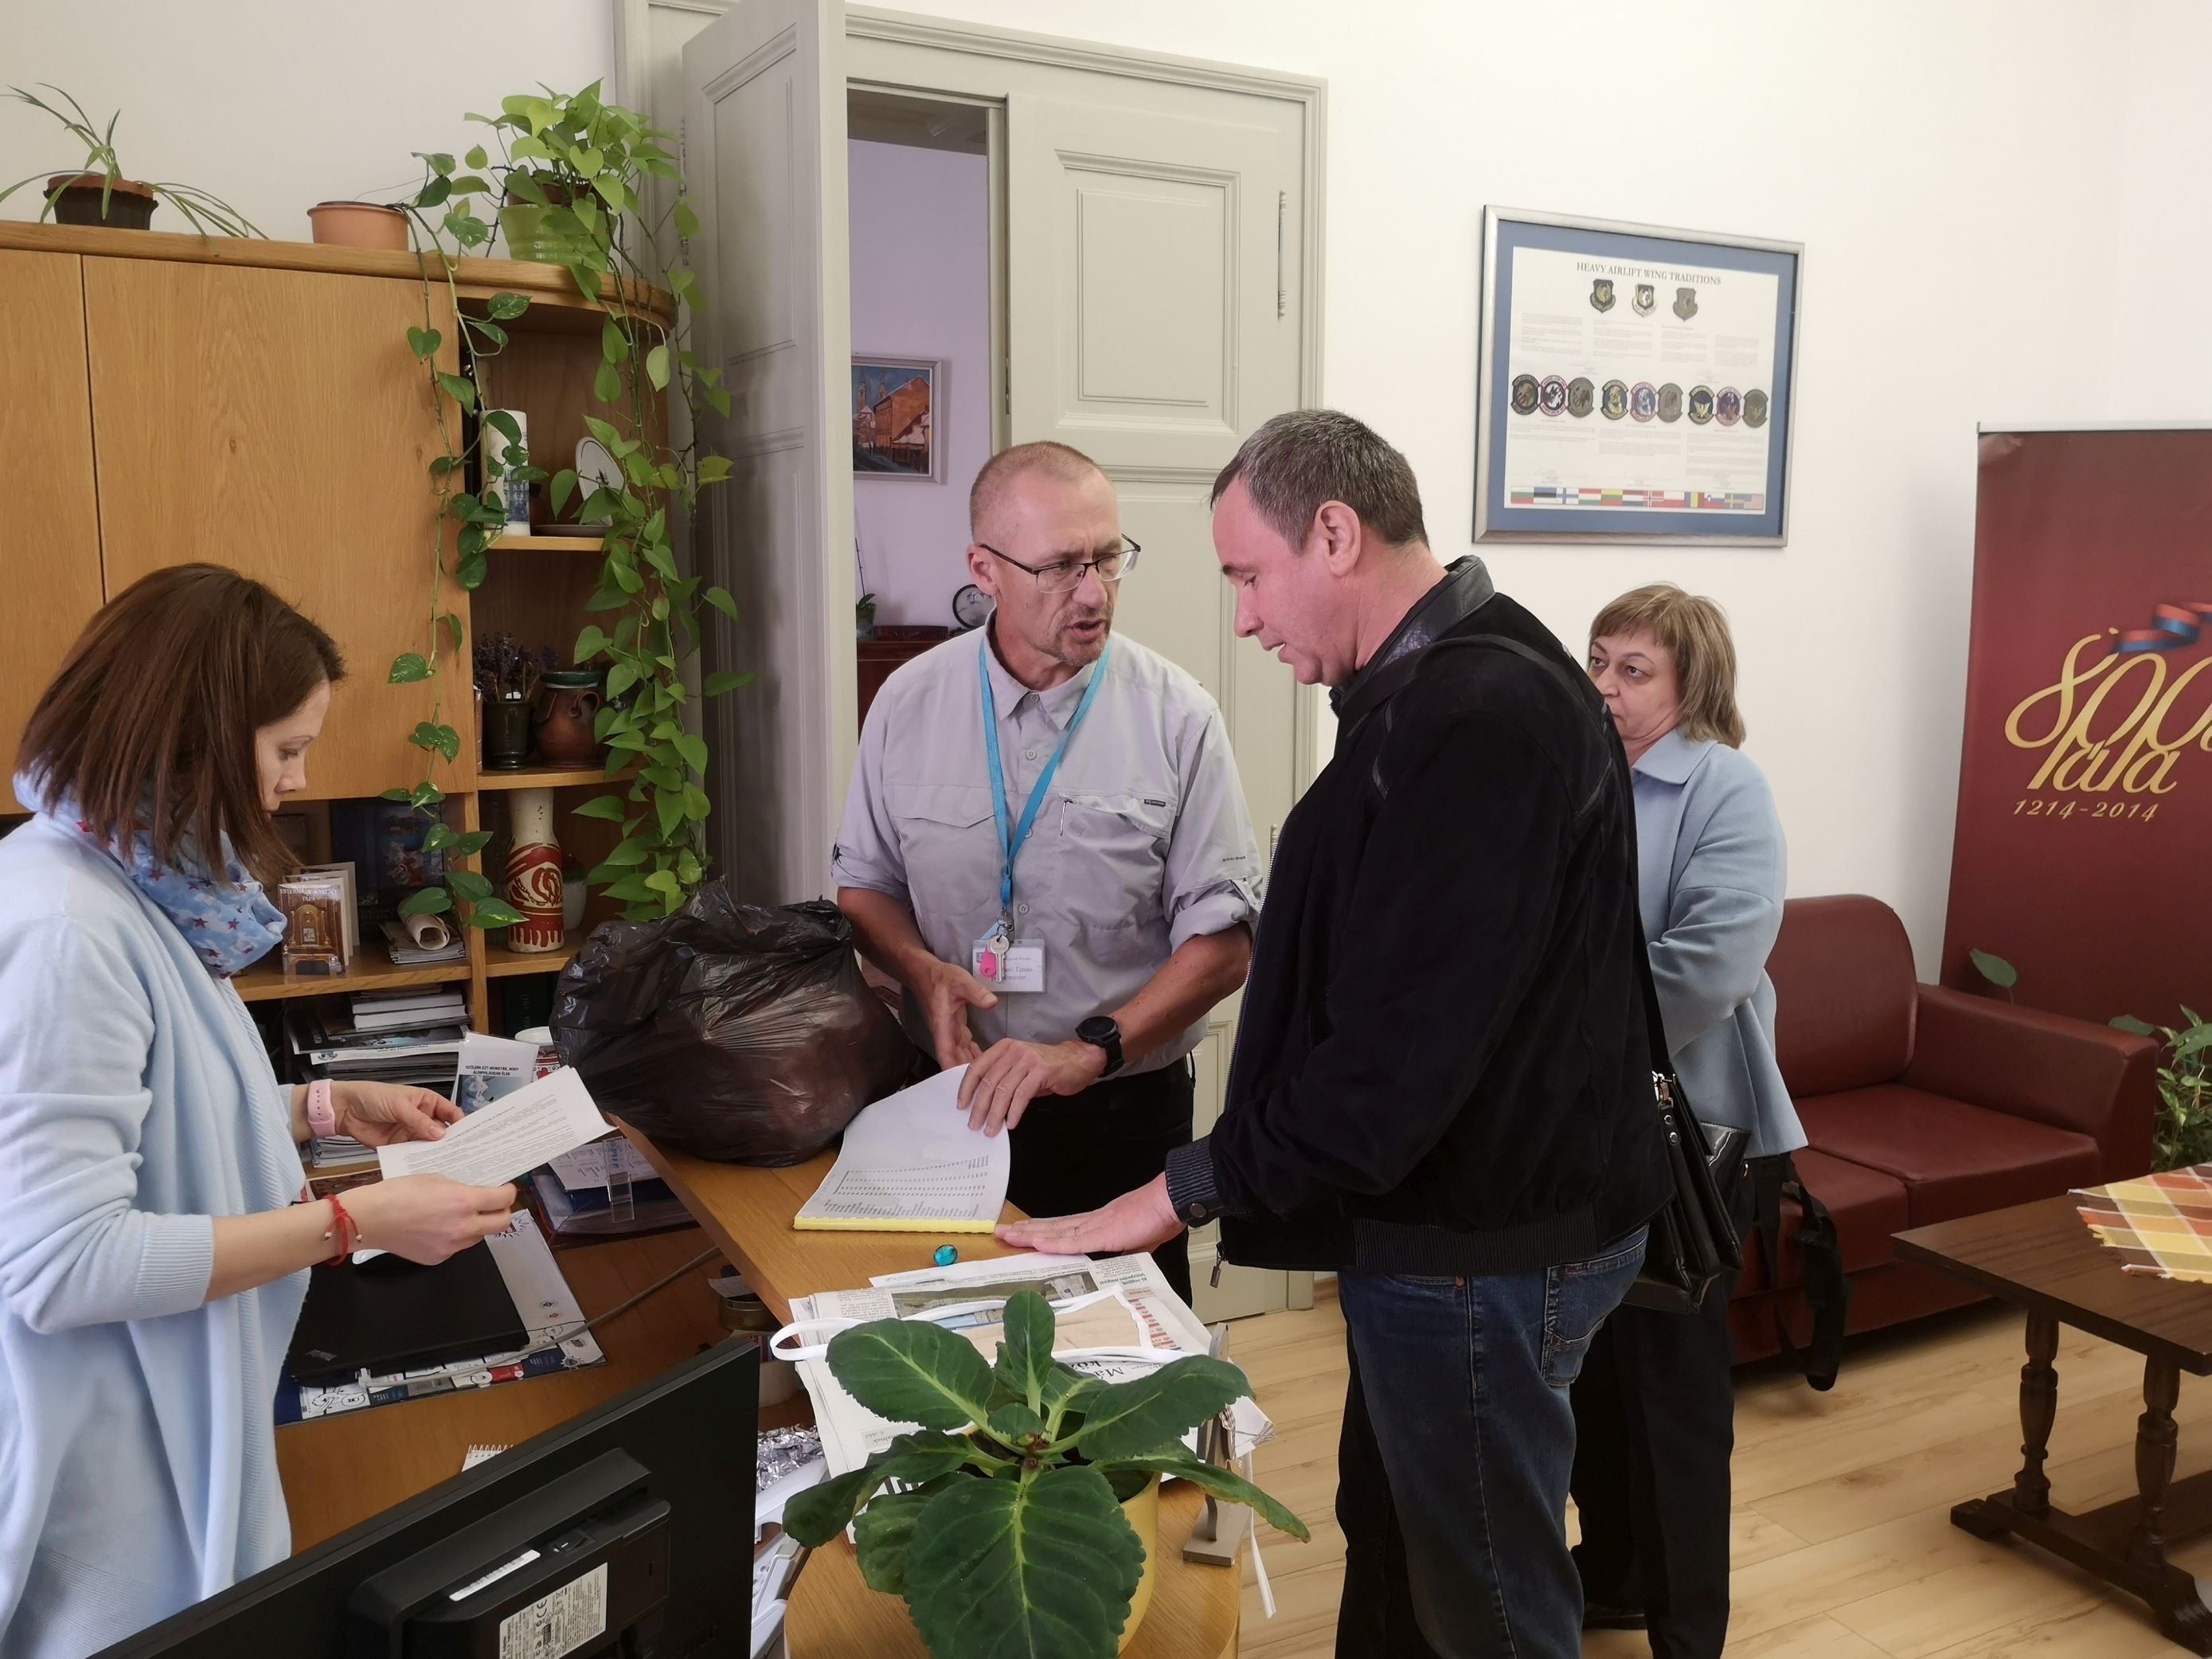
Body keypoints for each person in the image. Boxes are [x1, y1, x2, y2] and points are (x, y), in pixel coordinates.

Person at [999, 409, 1674, 1658]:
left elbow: (1394, 1063)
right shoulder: (1435, 678)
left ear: (1333, 531)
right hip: (1454, 1229)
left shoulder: (1479, 712)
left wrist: (1173, 1190)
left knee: (1486, 1599)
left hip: (1482, 1247)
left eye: (1249, 575)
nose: (1244, 618)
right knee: (1401, 1535)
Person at [0, 565, 520, 1659]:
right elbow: (61, 1262)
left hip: (181, 1411)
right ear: (193, 739)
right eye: (286, 749)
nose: (297, 780)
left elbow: (163, 1110)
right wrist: (355, 1222)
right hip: (115, 1471)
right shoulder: (68, 929)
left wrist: (324, 1104)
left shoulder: (134, 885)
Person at [831, 441, 1261, 1301]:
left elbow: (1226, 946)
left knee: (1129, 1360)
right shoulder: (907, 703)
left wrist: (1088, 1050)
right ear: (983, 569)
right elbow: (864, 886)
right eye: (1061, 566)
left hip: (1120, 1114)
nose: (1094, 592)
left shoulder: (1179, 717)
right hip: (947, 1102)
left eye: (1107, 557)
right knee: (953, 1346)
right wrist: (920, 969)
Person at [1571, 584, 1808, 1659]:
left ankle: (1686, 1628)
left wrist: (1563, 1042)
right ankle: (1616, 1571)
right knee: (1591, 1383)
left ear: (1690, 681)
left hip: (1692, 1141)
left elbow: (1711, 962)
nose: (1606, 686)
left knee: (1672, 1400)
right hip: (1580, 1130)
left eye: (1635, 669)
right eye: (1598, 660)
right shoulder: (1578, 775)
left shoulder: (1726, 786)